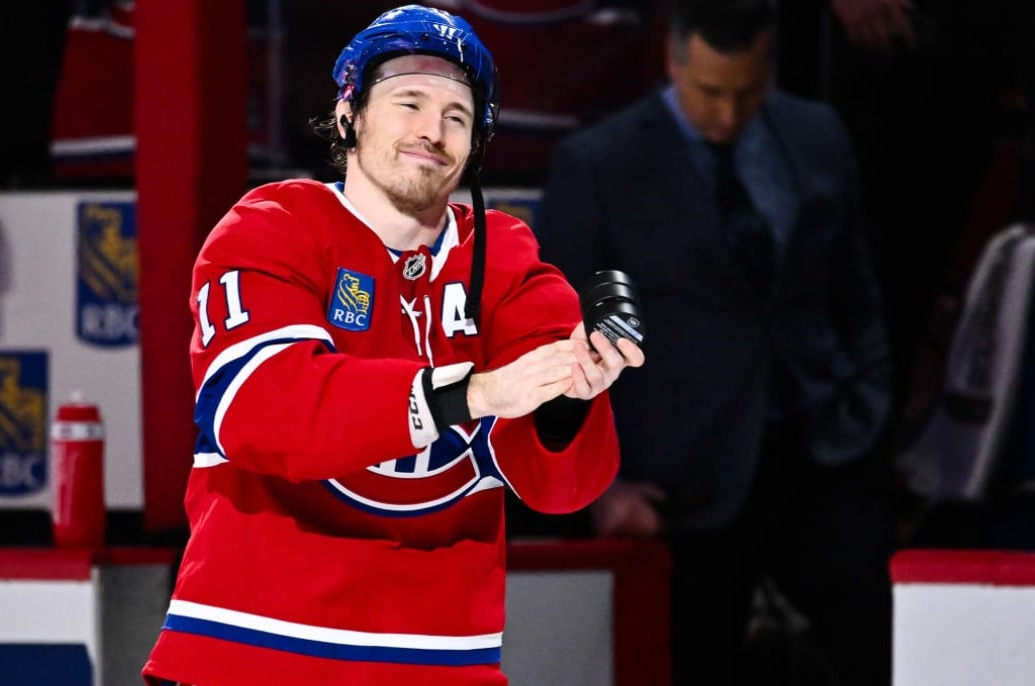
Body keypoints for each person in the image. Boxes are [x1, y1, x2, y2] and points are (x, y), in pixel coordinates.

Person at [141, 5, 644, 685]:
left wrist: (572, 391)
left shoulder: (506, 260)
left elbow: (563, 487)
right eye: (410, 102)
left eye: (458, 116)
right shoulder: (271, 228)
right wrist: (472, 393)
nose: (433, 130)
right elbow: (264, 410)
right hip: (252, 652)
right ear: (349, 114)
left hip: (440, 663)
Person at [536, 1, 895, 685]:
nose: (728, 115)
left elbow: (856, 289)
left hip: (820, 450)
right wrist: (600, 487)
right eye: (710, 92)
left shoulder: (816, 134)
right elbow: (555, 336)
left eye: (748, 93)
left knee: (883, 642)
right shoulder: (601, 163)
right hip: (680, 480)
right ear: (673, 64)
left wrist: (870, 404)